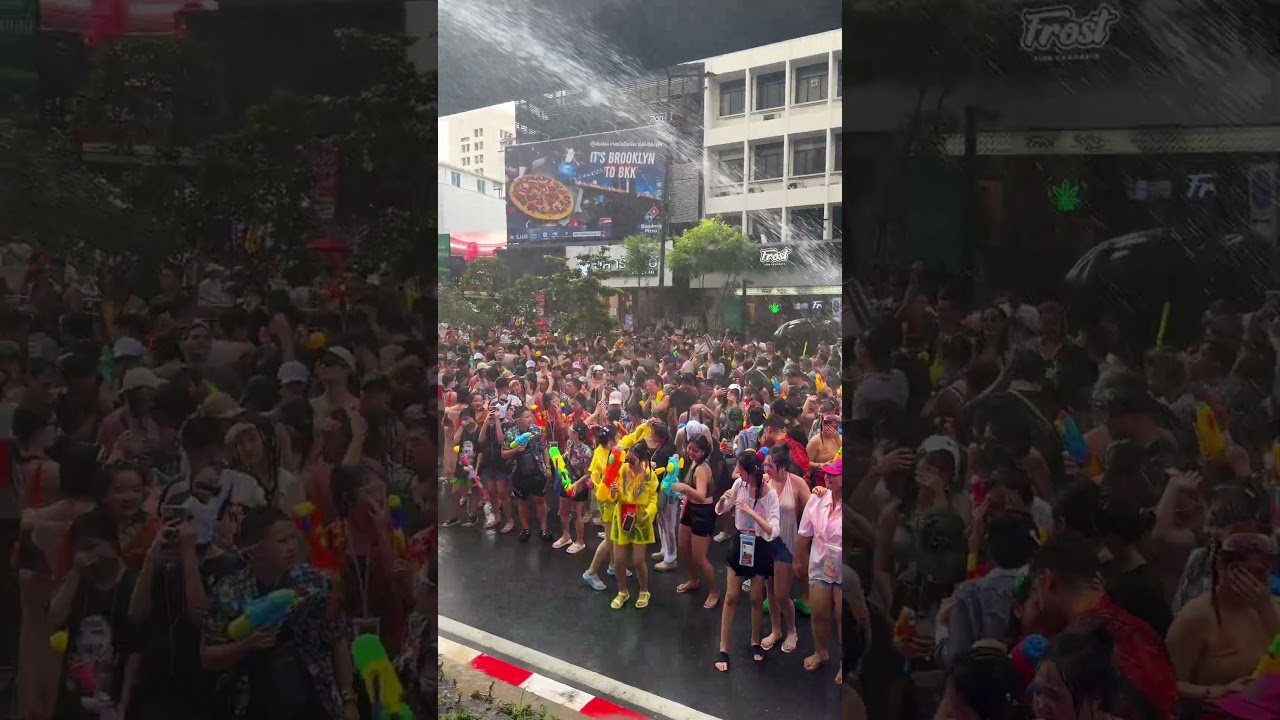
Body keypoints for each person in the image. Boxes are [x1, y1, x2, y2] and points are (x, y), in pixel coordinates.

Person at [201, 507, 356, 720]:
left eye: (293, 538)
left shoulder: (312, 581)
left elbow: (337, 639)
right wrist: (245, 645)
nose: (292, 547)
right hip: (254, 702)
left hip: (314, 698)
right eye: (282, 541)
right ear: (256, 549)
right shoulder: (230, 591)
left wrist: (348, 699)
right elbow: (208, 657)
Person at [713, 450, 780, 671]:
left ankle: (754, 640)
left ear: (749, 471)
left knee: (755, 598)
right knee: (731, 596)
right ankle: (723, 647)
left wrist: (751, 512)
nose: (736, 473)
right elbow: (723, 509)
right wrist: (722, 503)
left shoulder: (769, 494)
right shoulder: (738, 487)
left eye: (739, 469)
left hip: (759, 545)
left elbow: (773, 530)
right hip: (740, 541)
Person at [795, 457, 842, 681]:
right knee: (819, 612)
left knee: (843, 618)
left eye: (834, 474)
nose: (828, 476)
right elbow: (805, 532)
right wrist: (797, 559)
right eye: (827, 473)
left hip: (844, 570)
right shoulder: (818, 498)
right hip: (820, 563)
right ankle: (821, 651)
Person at [598, 447, 659, 610]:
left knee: (639, 561)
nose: (629, 463)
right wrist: (614, 492)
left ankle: (644, 590)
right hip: (622, 517)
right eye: (628, 460)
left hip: (640, 520)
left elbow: (654, 498)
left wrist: (649, 511)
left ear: (642, 459)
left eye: (633, 460)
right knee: (618, 561)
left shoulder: (649, 476)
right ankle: (622, 591)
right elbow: (615, 496)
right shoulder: (623, 470)